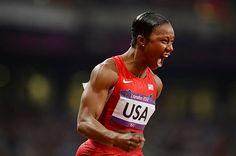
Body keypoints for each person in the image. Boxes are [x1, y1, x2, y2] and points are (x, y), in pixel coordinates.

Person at [76, 11, 175, 156]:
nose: (170, 48)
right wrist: (116, 138)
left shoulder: (156, 84)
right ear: (141, 40)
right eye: (164, 41)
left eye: (172, 42)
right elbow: (84, 122)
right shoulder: (107, 72)